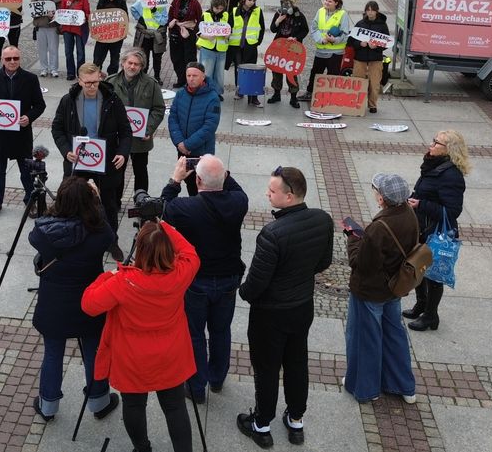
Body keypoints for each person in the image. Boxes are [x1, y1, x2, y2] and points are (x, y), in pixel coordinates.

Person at [82, 220, 199, 452]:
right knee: (175, 408)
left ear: (140, 250)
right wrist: (163, 225)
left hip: (132, 358)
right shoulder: (181, 273)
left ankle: (142, 448)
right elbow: (189, 251)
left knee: (134, 405)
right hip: (171, 354)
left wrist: (108, 276)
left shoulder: (123, 283)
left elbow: (89, 304)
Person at [238, 167, 333, 448]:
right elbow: (323, 262)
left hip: (271, 315)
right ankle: (295, 421)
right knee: (296, 363)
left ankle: (261, 424)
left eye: (272, 191)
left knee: (266, 369)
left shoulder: (273, 233)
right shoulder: (322, 219)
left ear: (289, 196)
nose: (267, 194)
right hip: (302, 307)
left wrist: (244, 293)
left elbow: (256, 283)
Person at [29, 177, 120, 421]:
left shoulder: (44, 232)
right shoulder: (99, 231)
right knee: (93, 351)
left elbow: (34, 235)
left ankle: (48, 406)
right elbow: (110, 235)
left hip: (54, 302)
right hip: (90, 300)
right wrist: (97, 201)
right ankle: (99, 401)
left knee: (52, 352)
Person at [161, 155, 247, 404]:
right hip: (229, 278)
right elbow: (231, 184)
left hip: (196, 282)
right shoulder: (239, 202)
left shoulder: (184, 208)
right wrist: (218, 172)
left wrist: (174, 181)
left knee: (195, 334)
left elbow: (160, 209)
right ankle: (217, 379)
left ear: (197, 179)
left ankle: (196, 387)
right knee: (221, 330)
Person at [343, 173, 419, 406]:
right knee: (395, 335)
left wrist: (353, 237)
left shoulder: (379, 227)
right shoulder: (410, 215)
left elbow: (362, 265)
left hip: (370, 292)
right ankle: (404, 386)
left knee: (366, 339)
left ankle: (365, 389)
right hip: (394, 288)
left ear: (382, 199)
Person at [52, 63, 132, 239]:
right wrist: (66, 151)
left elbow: (126, 131)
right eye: (88, 83)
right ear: (79, 81)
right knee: (72, 200)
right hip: (78, 160)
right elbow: (57, 129)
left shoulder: (112, 99)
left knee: (109, 204)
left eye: (95, 82)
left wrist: (122, 152)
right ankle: (73, 236)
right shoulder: (68, 100)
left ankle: (112, 240)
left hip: (105, 161)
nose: (92, 86)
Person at [404, 130, 470, 331]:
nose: (430, 145)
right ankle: (421, 305)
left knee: (433, 275)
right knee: (418, 268)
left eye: (436, 143)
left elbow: (452, 211)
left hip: (436, 232)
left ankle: (431, 316)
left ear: (448, 149)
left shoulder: (451, 176)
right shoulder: (434, 165)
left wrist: (420, 204)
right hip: (423, 227)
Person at [0, 46, 47, 217]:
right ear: (2, 59)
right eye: (8, 59)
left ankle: (30, 201)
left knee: (26, 172)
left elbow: (40, 105)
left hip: (21, 134)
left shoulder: (30, 79)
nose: (12, 62)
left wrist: (28, 117)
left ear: (20, 58)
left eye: (15, 58)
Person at [105, 48, 165, 203]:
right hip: (118, 137)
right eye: (130, 63)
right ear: (123, 63)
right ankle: (115, 201)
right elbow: (103, 109)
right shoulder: (110, 82)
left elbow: (158, 108)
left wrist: (149, 128)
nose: (132, 67)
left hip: (141, 137)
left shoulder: (151, 84)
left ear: (141, 66)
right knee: (117, 170)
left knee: (140, 170)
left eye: (136, 64)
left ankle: (141, 201)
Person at [167, 62, 220, 196]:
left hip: (201, 153)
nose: (191, 78)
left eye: (195, 75)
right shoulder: (180, 94)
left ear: (203, 77)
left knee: (201, 184)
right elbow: (173, 118)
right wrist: (179, 142)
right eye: (188, 75)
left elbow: (209, 126)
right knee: (189, 181)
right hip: (183, 150)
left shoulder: (212, 97)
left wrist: (188, 144)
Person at [301, 0, 351, 101]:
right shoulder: (320, 11)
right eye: (326, 0)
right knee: (315, 72)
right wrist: (321, 40)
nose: (327, 3)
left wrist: (334, 40)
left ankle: (330, 97)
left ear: (336, 3)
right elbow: (314, 28)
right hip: (321, 49)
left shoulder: (343, 14)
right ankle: (310, 93)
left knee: (332, 75)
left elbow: (345, 33)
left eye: (330, 1)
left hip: (335, 52)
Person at [267, 0, 309, 108]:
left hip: (293, 48)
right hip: (279, 47)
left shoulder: (299, 15)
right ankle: (276, 94)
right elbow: (273, 29)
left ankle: (293, 97)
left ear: (293, 4)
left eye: (287, 3)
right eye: (282, 3)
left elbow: (305, 30)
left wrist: (296, 38)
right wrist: (278, 21)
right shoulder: (279, 13)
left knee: (291, 72)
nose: (284, 5)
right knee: (277, 70)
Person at [348, 0, 391, 114]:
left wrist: (376, 47)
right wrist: (359, 44)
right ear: (365, 11)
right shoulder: (360, 24)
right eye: (368, 10)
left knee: (374, 83)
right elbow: (351, 41)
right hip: (360, 58)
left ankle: (372, 105)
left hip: (375, 59)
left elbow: (387, 43)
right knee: (358, 81)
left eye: (372, 10)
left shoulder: (382, 25)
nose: (370, 13)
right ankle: (357, 103)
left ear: (377, 11)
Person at [230, 0, 265, 107]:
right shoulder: (235, 11)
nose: (251, 2)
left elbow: (262, 27)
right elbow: (229, 26)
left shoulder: (257, 11)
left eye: (253, 0)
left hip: (250, 45)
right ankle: (240, 91)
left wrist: (257, 42)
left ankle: (253, 97)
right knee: (239, 69)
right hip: (237, 45)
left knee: (251, 69)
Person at [130, 0, 169, 83]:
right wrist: (139, 18)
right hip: (145, 35)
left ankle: (157, 77)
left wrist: (155, 11)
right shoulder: (142, 1)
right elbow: (133, 8)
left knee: (157, 58)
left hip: (157, 34)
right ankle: (144, 77)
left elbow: (164, 20)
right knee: (144, 57)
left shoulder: (162, 4)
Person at [167, 0, 202, 88]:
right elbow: (170, 15)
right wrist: (172, 23)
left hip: (189, 35)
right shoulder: (175, 1)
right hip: (175, 33)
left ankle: (190, 81)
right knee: (176, 58)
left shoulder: (195, 3)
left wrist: (194, 31)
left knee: (189, 58)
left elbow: (200, 19)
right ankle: (181, 79)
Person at [197, 0, 231, 101]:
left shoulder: (226, 15)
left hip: (221, 49)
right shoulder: (205, 15)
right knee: (207, 72)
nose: (219, 11)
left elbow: (230, 29)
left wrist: (228, 35)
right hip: (208, 48)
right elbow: (198, 32)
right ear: (212, 7)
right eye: (217, 8)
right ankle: (205, 92)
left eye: (221, 9)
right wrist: (207, 36)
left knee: (219, 73)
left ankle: (217, 92)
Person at [58, 0, 92, 80]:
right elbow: (62, 11)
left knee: (80, 52)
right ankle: (70, 73)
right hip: (67, 29)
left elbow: (87, 12)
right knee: (68, 52)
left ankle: (80, 73)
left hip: (79, 29)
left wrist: (85, 18)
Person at [93, 0, 127, 75]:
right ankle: (96, 74)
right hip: (103, 35)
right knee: (98, 57)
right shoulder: (101, 1)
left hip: (116, 35)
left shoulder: (121, 2)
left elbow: (125, 18)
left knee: (114, 58)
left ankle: (112, 76)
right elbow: (97, 17)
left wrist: (124, 32)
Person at [31, 0, 60, 77]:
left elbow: (61, 11)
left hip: (52, 26)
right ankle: (43, 68)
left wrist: (54, 15)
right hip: (41, 25)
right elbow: (32, 9)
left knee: (53, 49)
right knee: (41, 49)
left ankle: (54, 69)